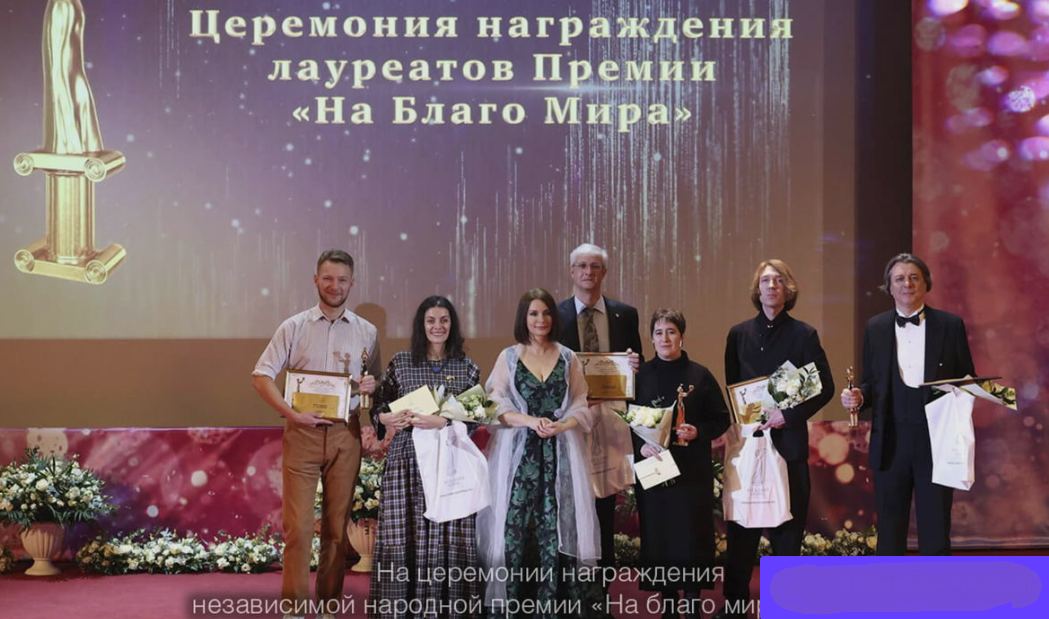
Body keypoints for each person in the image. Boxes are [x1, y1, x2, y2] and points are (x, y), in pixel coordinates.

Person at [252, 249, 380, 619]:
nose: (334, 286)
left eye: (342, 280)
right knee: (298, 529)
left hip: (345, 434)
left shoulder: (367, 331)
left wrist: (372, 385)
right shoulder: (293, 327)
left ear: (352, 283)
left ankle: (328, 607)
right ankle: (293, 609)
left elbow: (375, 385)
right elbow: (261, 375)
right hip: (302, 433)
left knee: (337, 529)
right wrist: (290, 412)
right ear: (315, 280)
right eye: (327, 278)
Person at [719, 259, 833, 619]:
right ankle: (734, 606)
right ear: (757, 289)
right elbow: (734, 386)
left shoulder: (804, 335)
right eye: (765, 280)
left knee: (787, 531)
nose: (771, 286)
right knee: (741, 530)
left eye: (778, 280)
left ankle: (783, 606)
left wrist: (788, 416)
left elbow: (825, 387)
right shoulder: (738, 334)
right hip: (748, 444)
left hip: (788, 445)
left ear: (788, 289)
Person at [477, 288, 602, 617]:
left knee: (557, 527)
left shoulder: (568, 357)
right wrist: (530, 422)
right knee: (515, 530)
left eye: (546, 313)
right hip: (519, 458)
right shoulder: (508, 357)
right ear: (524, 317)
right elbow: (494, 405)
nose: (541, 319)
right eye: (533, 313)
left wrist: (562, 425)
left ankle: (553, 608)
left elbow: (581, 403)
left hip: (560, 456)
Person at [840, 253, 975, 555]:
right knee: (890, 527)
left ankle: (935, 584)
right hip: (891, 438)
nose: (907, 284)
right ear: (889, 287)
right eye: (899, 278)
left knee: (935, 525)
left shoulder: (950, 325)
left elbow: (968, 378)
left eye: (914, 277)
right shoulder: (875, 327)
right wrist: (859, 397)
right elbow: (870, 383)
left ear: (926, 283)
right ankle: (892, 584)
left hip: (936, 440)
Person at [368, 296, 482, 619]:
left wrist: (443, 421)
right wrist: (385, 418)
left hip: (451, 463)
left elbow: (477, 416)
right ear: (422, 324)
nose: (437, 326)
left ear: (452, 325)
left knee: (451, 534)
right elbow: (379, 408)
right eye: (431, 320)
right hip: (407, 462)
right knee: (403, 534)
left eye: (444, 320)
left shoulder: (467, 367)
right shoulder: (402, 362)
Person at [633, 309, 730, 619]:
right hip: (655, 467)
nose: (665, 338)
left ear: (682, 336)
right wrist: (640, 445)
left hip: (691, 469)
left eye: (671, 331)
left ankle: (692, 600)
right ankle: (668, 602)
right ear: (651, 338)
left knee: (691, 535)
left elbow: (721, 419)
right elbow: (626, 421)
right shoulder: (640, 376)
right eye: (659, 332)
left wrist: (698, 430)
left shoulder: (700, 375)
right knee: (660, 533)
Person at [556, 243, 642, 577]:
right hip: (570, 422)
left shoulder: (625, 314)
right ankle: (571, 581)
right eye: (581, 265)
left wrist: (635, 365)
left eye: (595, 266)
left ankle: (601, 587)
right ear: (571, 271)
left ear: (604, 272)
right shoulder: (555, 315)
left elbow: (636, 366)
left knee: (604, 502)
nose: (588, 272)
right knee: (571, 500)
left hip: (610, 421)